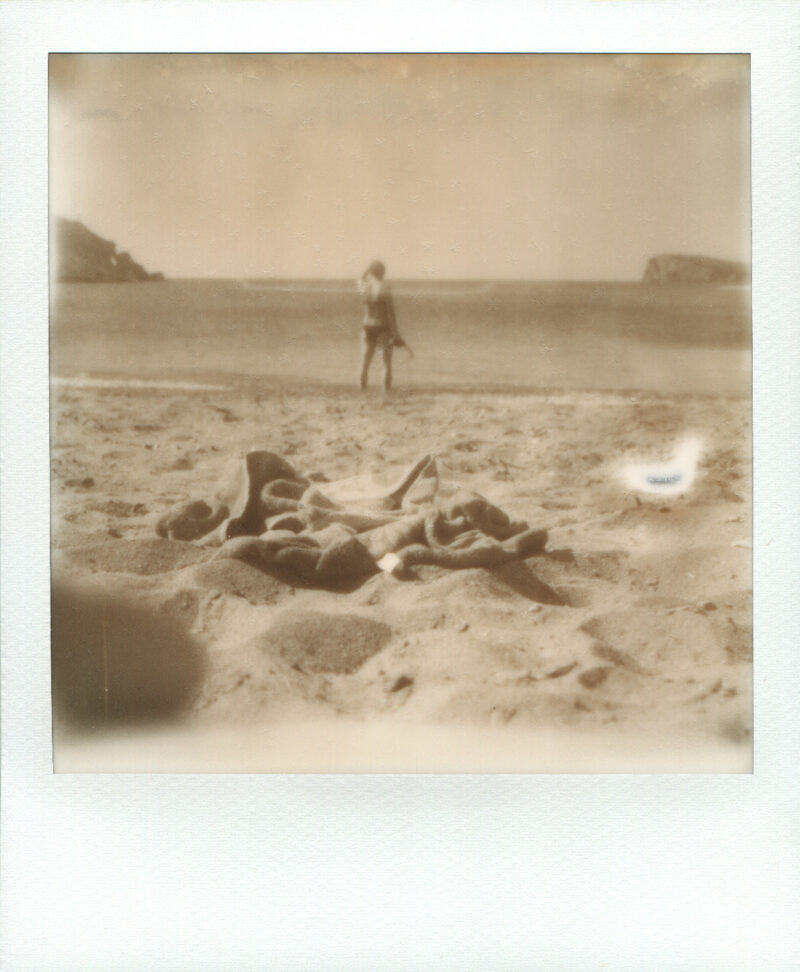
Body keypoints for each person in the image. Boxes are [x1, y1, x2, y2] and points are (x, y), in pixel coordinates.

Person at [357, 259, 405, 393]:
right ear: (383, 272)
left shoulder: (364, 287)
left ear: (371, 272)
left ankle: (362, 393)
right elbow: (391, 313)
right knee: (386, 364)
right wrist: (396, 334)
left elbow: (361, 278)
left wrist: (368, 269)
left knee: (365, 364)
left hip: (368, 327)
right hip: (383, 328)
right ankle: (386, 394)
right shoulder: (385, 288)